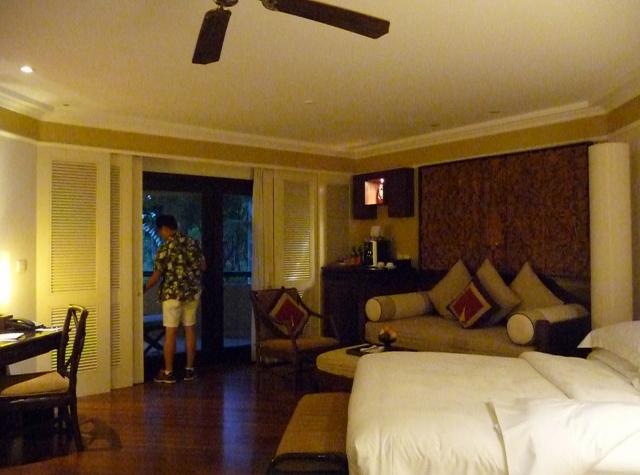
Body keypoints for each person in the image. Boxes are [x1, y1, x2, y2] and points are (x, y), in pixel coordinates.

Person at [144, 214, 206, 383]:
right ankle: (189, 370)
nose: (160, 234)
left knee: (170, 333)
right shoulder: (192, 243)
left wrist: (144, 288)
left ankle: (169, 372)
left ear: (164, 228)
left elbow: (157, 275)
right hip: (191, 293)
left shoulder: (165, 248)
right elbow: (203, 266)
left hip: (172, 295)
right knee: (190, 330)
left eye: (160, 230)